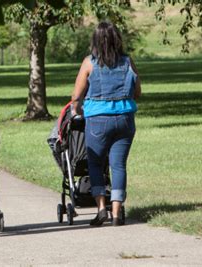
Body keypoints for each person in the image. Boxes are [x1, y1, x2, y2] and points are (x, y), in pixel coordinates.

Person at [71, 22, 141, 226]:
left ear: (95, 40)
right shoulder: (128, 62)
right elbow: (138, 92)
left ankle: (101, 207)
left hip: (98, 120)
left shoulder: (89, 63)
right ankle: (117, 213)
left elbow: (76, 95)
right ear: (117, 40)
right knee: (118, 165)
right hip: (125, 119)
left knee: (95, 163)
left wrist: (77, 110)